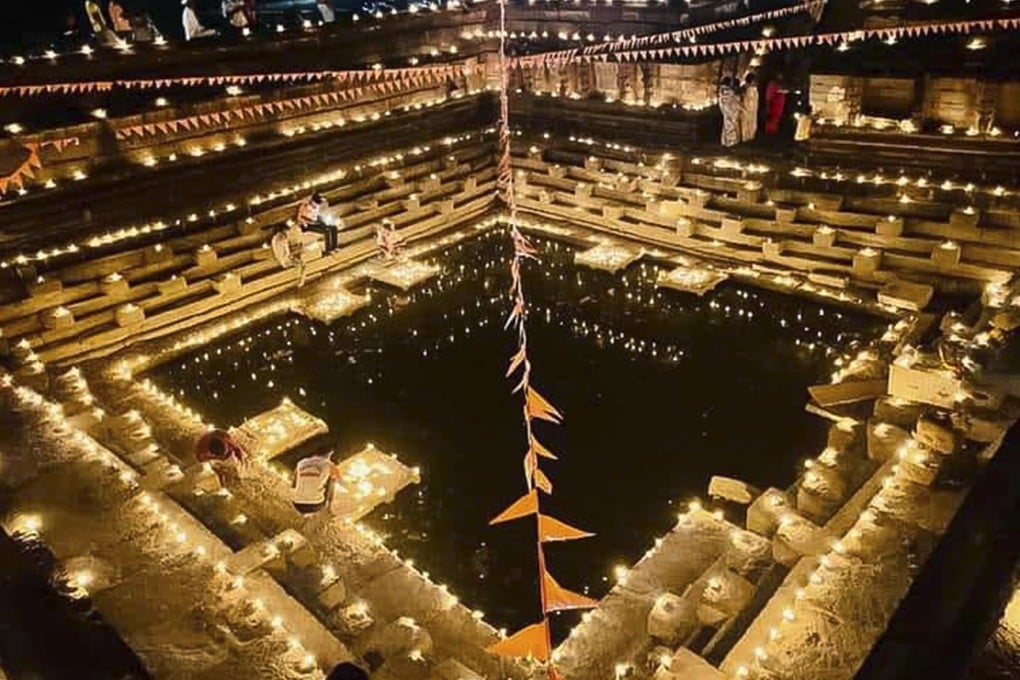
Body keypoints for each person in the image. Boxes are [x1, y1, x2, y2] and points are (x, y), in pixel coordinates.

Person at [293, 450, 341, 514]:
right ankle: (329, 505)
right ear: (329, 455)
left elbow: (295, 482)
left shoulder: (301, 463)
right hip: (315, 504)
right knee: (332, 480)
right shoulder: (329, 465)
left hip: (298, 503)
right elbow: (337, 478)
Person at [718, 76, 741, 148]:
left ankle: (726, 141)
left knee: (727, 125)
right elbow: (734, 100)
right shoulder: (730, 91)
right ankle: (731, 141)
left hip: (726, 109)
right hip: (731, 110)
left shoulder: (721, 91)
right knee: (731, 126)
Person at [740, 72, 759, 143]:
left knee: (752, 125)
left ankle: (750, 138)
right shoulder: (745, 89)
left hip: (753, 110)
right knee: (746, 125)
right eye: (754, 80)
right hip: (746, 109)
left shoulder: (754, 89)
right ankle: (745, 139)